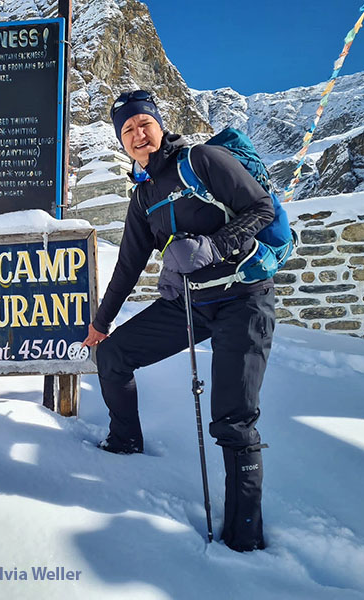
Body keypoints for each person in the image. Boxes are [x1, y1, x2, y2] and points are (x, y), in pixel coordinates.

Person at [82, 90, 276, 552]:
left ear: (159, 125)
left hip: (242, 300)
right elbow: (128, 266)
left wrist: (215, 245)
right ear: (121, 142)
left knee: (232, 418)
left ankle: (244, 537)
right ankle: (124, 443)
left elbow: (261, 208)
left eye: (143, 123)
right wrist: (100, 325)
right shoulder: (144, 195)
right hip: (189, 305)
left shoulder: (201, 160)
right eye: (127, 130)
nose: (137, 134)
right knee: (113, 356)